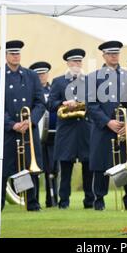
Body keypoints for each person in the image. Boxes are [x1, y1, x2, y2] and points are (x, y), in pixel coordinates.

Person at [0, 40, 45, 212]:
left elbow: (40, 102)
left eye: (18, 53)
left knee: (29, 167)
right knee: (1, 169)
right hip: (7, 131)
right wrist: (12, 124)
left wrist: (30, 121)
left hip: (28, 130)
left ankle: (32, 203)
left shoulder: (31, 76)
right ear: (5, 55)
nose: (15, 56)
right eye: (12, 53)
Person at [87, 41, 127, 211]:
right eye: (110, 54)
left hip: (125, 128)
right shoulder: (93, 77)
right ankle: (99, 201)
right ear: (103, 56)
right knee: (101, 166)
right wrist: (107, 122)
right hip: (104, 129)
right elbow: (91, 105)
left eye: (116, 53)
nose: (113, 56)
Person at [48, 49, 94, 209]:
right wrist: (64, 104)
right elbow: (51, 104)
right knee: (65, 169)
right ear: (68, 63)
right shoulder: (58, 81)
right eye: (74, 62)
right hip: (66, 131)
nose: (77, 64)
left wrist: (82, 103)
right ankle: (63, 202)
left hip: (85, 130)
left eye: (79, 61)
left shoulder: (89, 81)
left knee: (88, 168)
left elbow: (95, 103)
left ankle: (89, 201)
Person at [29, 61, 59, 208]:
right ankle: (34, 199)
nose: (42, 76)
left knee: (52, 169)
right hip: (35, 134)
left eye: (44, 73)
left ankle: (52, 199)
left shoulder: (53, 89)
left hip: (52, 136)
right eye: (38, 74)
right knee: (35, 169)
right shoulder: (31, 91)